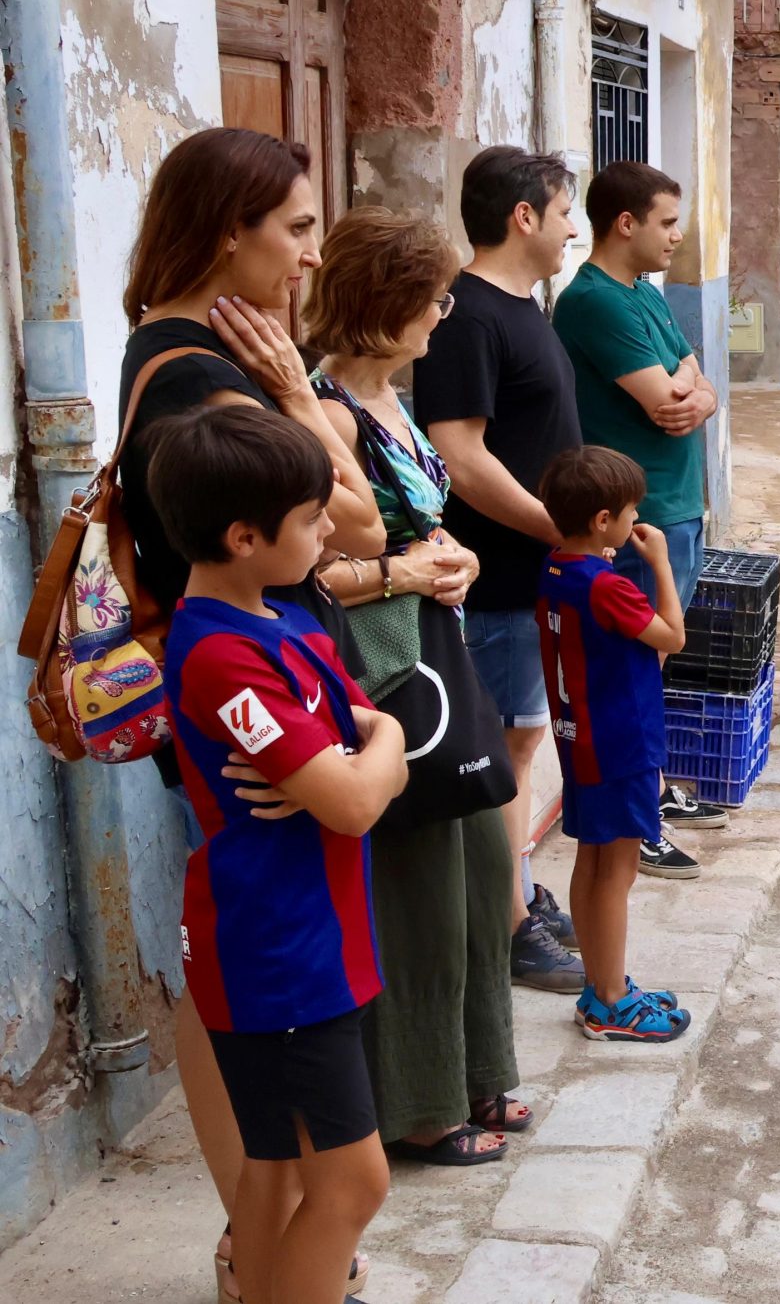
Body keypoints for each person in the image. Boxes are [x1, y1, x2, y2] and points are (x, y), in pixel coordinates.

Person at [114, 126, 388, 1303]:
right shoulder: (205, 371)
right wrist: (293, 394)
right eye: (297, 228)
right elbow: (370, 517)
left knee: (235, 989)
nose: (311, 258)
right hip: (252, 707)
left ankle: (268, 1239)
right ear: (231, 228)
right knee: (255, 996)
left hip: (266, 689)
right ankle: (261, 1247)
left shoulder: (169, 349)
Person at [157, 406, 404, 1304]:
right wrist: (363, 760)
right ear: (244, 535)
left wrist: (373, 748)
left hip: (312, 937)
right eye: (310, 519)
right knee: (354, 1182)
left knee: (280, 1172)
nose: (331, 527)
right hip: (277, 951)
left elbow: (371, 737)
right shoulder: (221, 655)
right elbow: (353, 798)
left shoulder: (288, 622)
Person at [303, 208, 525, 1164]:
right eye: (429, 297)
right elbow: (306, 571)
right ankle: (423, 1102)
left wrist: (451, 560)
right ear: (385, 304)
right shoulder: (319, 412)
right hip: (384, 666)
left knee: (477, 867)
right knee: (418, 884)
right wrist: (406, 571)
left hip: (436, 648)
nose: (443, 312)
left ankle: (478, 1073)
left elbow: (416, 535)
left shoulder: (389, 399)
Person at [416, 147, 675, 920]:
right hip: (498, 576)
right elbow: (461, 457)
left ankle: (516, 897)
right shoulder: (466, 316)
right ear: (522, 216)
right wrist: (562, 534)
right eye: (564, 213)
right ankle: (509, 921)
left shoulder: (525, 305)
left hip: (538, 573)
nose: (572, 229)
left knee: (524, 747)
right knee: (502, 755)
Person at [552, 160, 725, 830]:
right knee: (629, 668)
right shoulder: (593, 299)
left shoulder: (647, 294)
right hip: (634, 515)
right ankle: (632, 808)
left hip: (675, 501)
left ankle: (647, 785)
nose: (677, 236)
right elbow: (665, 401)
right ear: (626, 224)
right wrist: (686, 385)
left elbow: (695, 381)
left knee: (649, 667)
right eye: (668, 222)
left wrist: (694, 388)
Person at [535, 447, 694, 1042]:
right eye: (630, 512)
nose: (636, 523)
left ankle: (601, 983)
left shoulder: (556, 567)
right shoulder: (609, 587)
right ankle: (611, 999)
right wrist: (661, 564)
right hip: (623, 744)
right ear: (603, 521)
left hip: (580, 742)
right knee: (619, 871)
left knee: (592, 860)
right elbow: (672, 637)